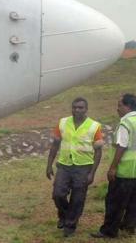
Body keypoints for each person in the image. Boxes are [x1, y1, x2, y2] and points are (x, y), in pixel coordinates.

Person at [46, 97, 104, 237]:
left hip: (83, 167)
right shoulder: (63, 122)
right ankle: (65, 215)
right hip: (64, 165)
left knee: (78, 198)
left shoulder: (94, 126)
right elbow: (55, 144)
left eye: (80, 108)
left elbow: (98, 151)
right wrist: (49, 165)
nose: (77, 110)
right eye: (74, 107)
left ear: (86, 109)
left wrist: (92, 173)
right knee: (58, 194)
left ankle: (70, 226)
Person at [92, 93, 136, 238]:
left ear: (128, 106)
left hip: (125, 171)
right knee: (133, 201)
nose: (117, 109)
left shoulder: (126, 123)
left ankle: (109, 231)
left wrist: (113, 167)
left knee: (114, 202)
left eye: (120, 105)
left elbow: (121, 147)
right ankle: (129, 226)